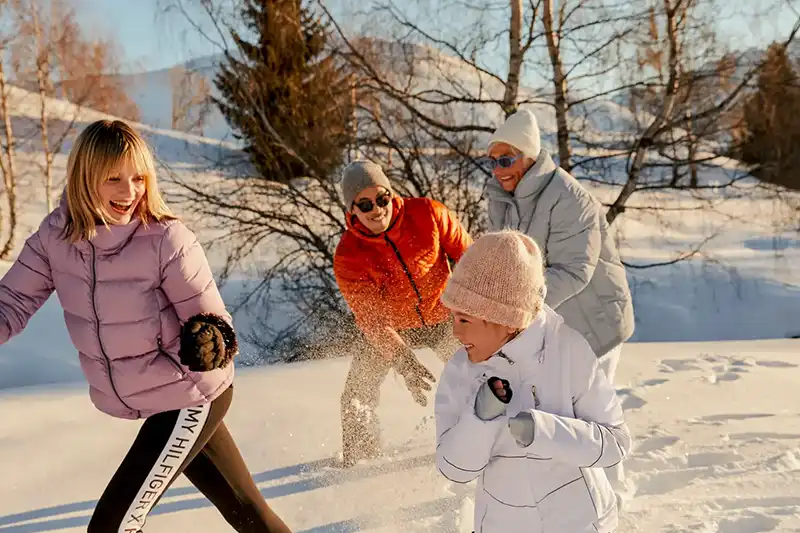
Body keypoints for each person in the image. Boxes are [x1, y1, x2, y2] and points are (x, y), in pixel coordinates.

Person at [0, 120, 292, 533]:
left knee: (111, 527)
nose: (129, 191)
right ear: (85, 178)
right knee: (249, 514)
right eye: (114, 179)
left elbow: (210, 316)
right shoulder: (56, 238)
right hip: (160, 399)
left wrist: (210, 338)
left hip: (191, 396)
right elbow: (11, 302)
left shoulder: (166, 238)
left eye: (138, 177)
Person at [434, 229, 632, 533]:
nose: (456, 334)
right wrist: (479, 420)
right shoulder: (462, 369)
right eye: (454, 318)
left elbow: (616, 443)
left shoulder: (568, 351)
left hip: (580, 523)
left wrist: (544, 431)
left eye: (465, 320)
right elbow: (453, 469)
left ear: (504, 318)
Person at [333, 159, 472, 467]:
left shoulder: (428, 214)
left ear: (391, 194)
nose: (376, 209)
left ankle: (486, 436)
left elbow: (470, 258)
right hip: (393, 328)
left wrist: (476, 312)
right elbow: (371, 320)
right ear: (351, 210)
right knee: (357, 394)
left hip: (444, 315)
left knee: (481, 370)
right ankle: (357, 463)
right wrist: (402, 359)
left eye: (382, 198)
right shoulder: (348, 254)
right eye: (365, 204)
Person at [484, 109, 634, 385]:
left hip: (593, 324)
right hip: (550, 326)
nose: (498, 170)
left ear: (528, 156)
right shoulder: (502, 199)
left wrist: (513, 310)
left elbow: (573, 272)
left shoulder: (570, 199)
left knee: (586, 419)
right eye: (492, 161)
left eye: (505, 160)